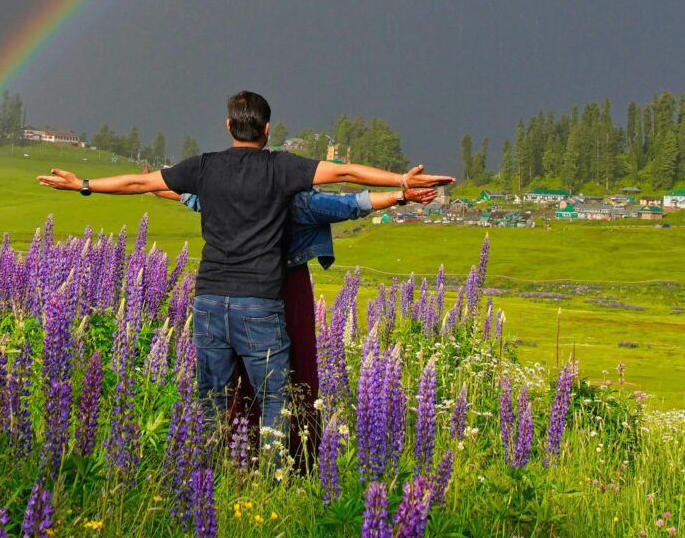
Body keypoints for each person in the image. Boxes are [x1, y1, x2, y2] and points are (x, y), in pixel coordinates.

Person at [37, 90, 454, 443]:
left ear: (228, 126)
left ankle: (206, 477)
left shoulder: (203, 168)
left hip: (209, 302)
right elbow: (346, 174)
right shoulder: (282, 167)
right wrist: (402, 181)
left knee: (211, 402)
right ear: (267, 130)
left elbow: (142, 184)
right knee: (275, 400)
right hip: (258, 303)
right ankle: (269, 485)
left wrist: (83, 185)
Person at [155, 186, 436, 467]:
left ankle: (236, 457)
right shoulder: (298, 198)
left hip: (237, 284)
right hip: (287, 284)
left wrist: (153, 185)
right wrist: (401, 194)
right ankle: (290, 460)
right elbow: (350, 204)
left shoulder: (235, 191)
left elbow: (191, 195)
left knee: (236, 375)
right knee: (294, 369)